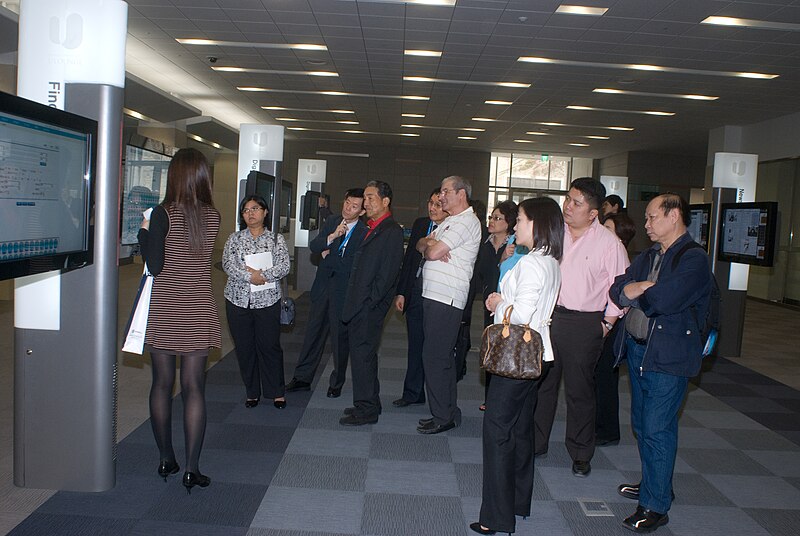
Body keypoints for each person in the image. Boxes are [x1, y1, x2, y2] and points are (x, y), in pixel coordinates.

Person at [609, 193, 712, 533]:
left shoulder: (693, 259)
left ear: (674, 216)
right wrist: (638, 286)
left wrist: (642, 292)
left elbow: (665, 300)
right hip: (640, 350)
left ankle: (655, 506)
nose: (647, 224)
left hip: (668, 357)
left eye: (653, 217)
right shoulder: (650, 254)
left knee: (657, 428)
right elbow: (617, 289)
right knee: (642, 424)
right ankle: (655, 483)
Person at [470, 197, 563, 536]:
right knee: (521, 431)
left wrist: (496, 301)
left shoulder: (532, 264)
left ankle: (494, 517)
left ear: (536, 224)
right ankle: (519, 503)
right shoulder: (548, 261)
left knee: (496, 433)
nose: (516, 225)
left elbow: (520, 314)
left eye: (521, 219)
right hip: (537, 357)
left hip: (516, 358)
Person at [533, 177, 629, 478]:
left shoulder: (608, 244)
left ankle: (580, 452)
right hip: (549, 317)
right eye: (568, 199)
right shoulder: (553, 233)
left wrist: (607, 323)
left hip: (585, 322)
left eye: (577, 203)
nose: (568, 206)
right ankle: (536, 443)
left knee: (579, 390)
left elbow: (621, 288)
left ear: (593, 213)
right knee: (543, 384)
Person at [138, 148, 220, 493]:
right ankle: (192, 468)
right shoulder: (213, 216)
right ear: (202, 176)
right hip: (199, 307)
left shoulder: (162, 213)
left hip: (167, 309)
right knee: (194, 388)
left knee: (161, 384)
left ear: (173, 176)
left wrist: (144, 230)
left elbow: (155, 265)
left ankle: (166, 458)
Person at [416, 176, 482, 434]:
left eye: (445, 191)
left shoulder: (466, 222)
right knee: (437, 357)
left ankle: (443, 416)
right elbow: (423, 244)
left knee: (436, 358)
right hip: (435, 297)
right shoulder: (451, 222)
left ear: (461, 194)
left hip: (447, 300)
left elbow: (430, 253)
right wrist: (430, 245)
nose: (441, 196)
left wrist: (431, 247)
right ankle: (447, 411)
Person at [286, 189, 366, 396]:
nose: (348, 208)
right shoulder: (333, 221)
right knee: (312, 335)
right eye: (347, 202)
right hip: (322, 288)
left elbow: (352, 265)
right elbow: (315, 246)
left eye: (354, 206)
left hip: (343, 293)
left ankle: (336, 383)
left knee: (339, 341)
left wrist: (328, 256)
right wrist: (331, 237)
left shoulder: (364, 232)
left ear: (363, 211)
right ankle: (302, 378)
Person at [339, 180, 404, 425]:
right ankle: (369, 402)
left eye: (370, 198)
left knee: (362, 357)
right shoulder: (371, 226)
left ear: (385, 201)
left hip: (368, 306)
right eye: (364, 198)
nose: (366, 203)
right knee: (363, 356)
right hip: (360, 303)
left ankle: (365, 410)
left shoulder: (391, 230)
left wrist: (369, 302)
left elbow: (387, 274)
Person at [223, 195, 291, 410]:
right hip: (237, 301)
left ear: (265, 212)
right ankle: (252, 391)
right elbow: (227, 264)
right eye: (245, 210)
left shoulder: (275, 239)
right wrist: (249, 276)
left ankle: (276, 391)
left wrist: (263, 275)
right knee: (244, 348)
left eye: (255, 208)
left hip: (267, 300)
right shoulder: (234, 239)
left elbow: (284, 266)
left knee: (269, 346)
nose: (250, 213)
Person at [393, 188, 446, 408]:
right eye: (430, 203)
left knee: (434, 349)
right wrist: (402, 291)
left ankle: (438, 397)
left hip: (438, 295)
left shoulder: (453, 228)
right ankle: (412, 393)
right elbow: (409, 261)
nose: (433, 208)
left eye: (438, 204)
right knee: (415, 345)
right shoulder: (420, 224)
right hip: (415, 291)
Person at [594, 212, 637, 446]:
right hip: (604, 319)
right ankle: (599, 425)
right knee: (598, 377)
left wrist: (609, 322)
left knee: (605, 378)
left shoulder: (622, 260)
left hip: (613, 323)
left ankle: (608, 430)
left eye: (608, 228)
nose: (603, 231)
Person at [476, 200, 518, 411]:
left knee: (506, 351)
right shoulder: (485, 242)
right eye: (491, 217)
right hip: (487, 304)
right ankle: (489, 398)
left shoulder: (515, 245)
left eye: (497, 218)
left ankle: (502, 400)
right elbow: (482, 273)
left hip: (507, 305)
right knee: (490, 349)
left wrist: (501, 260)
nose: (491, 221)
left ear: (509, 222)